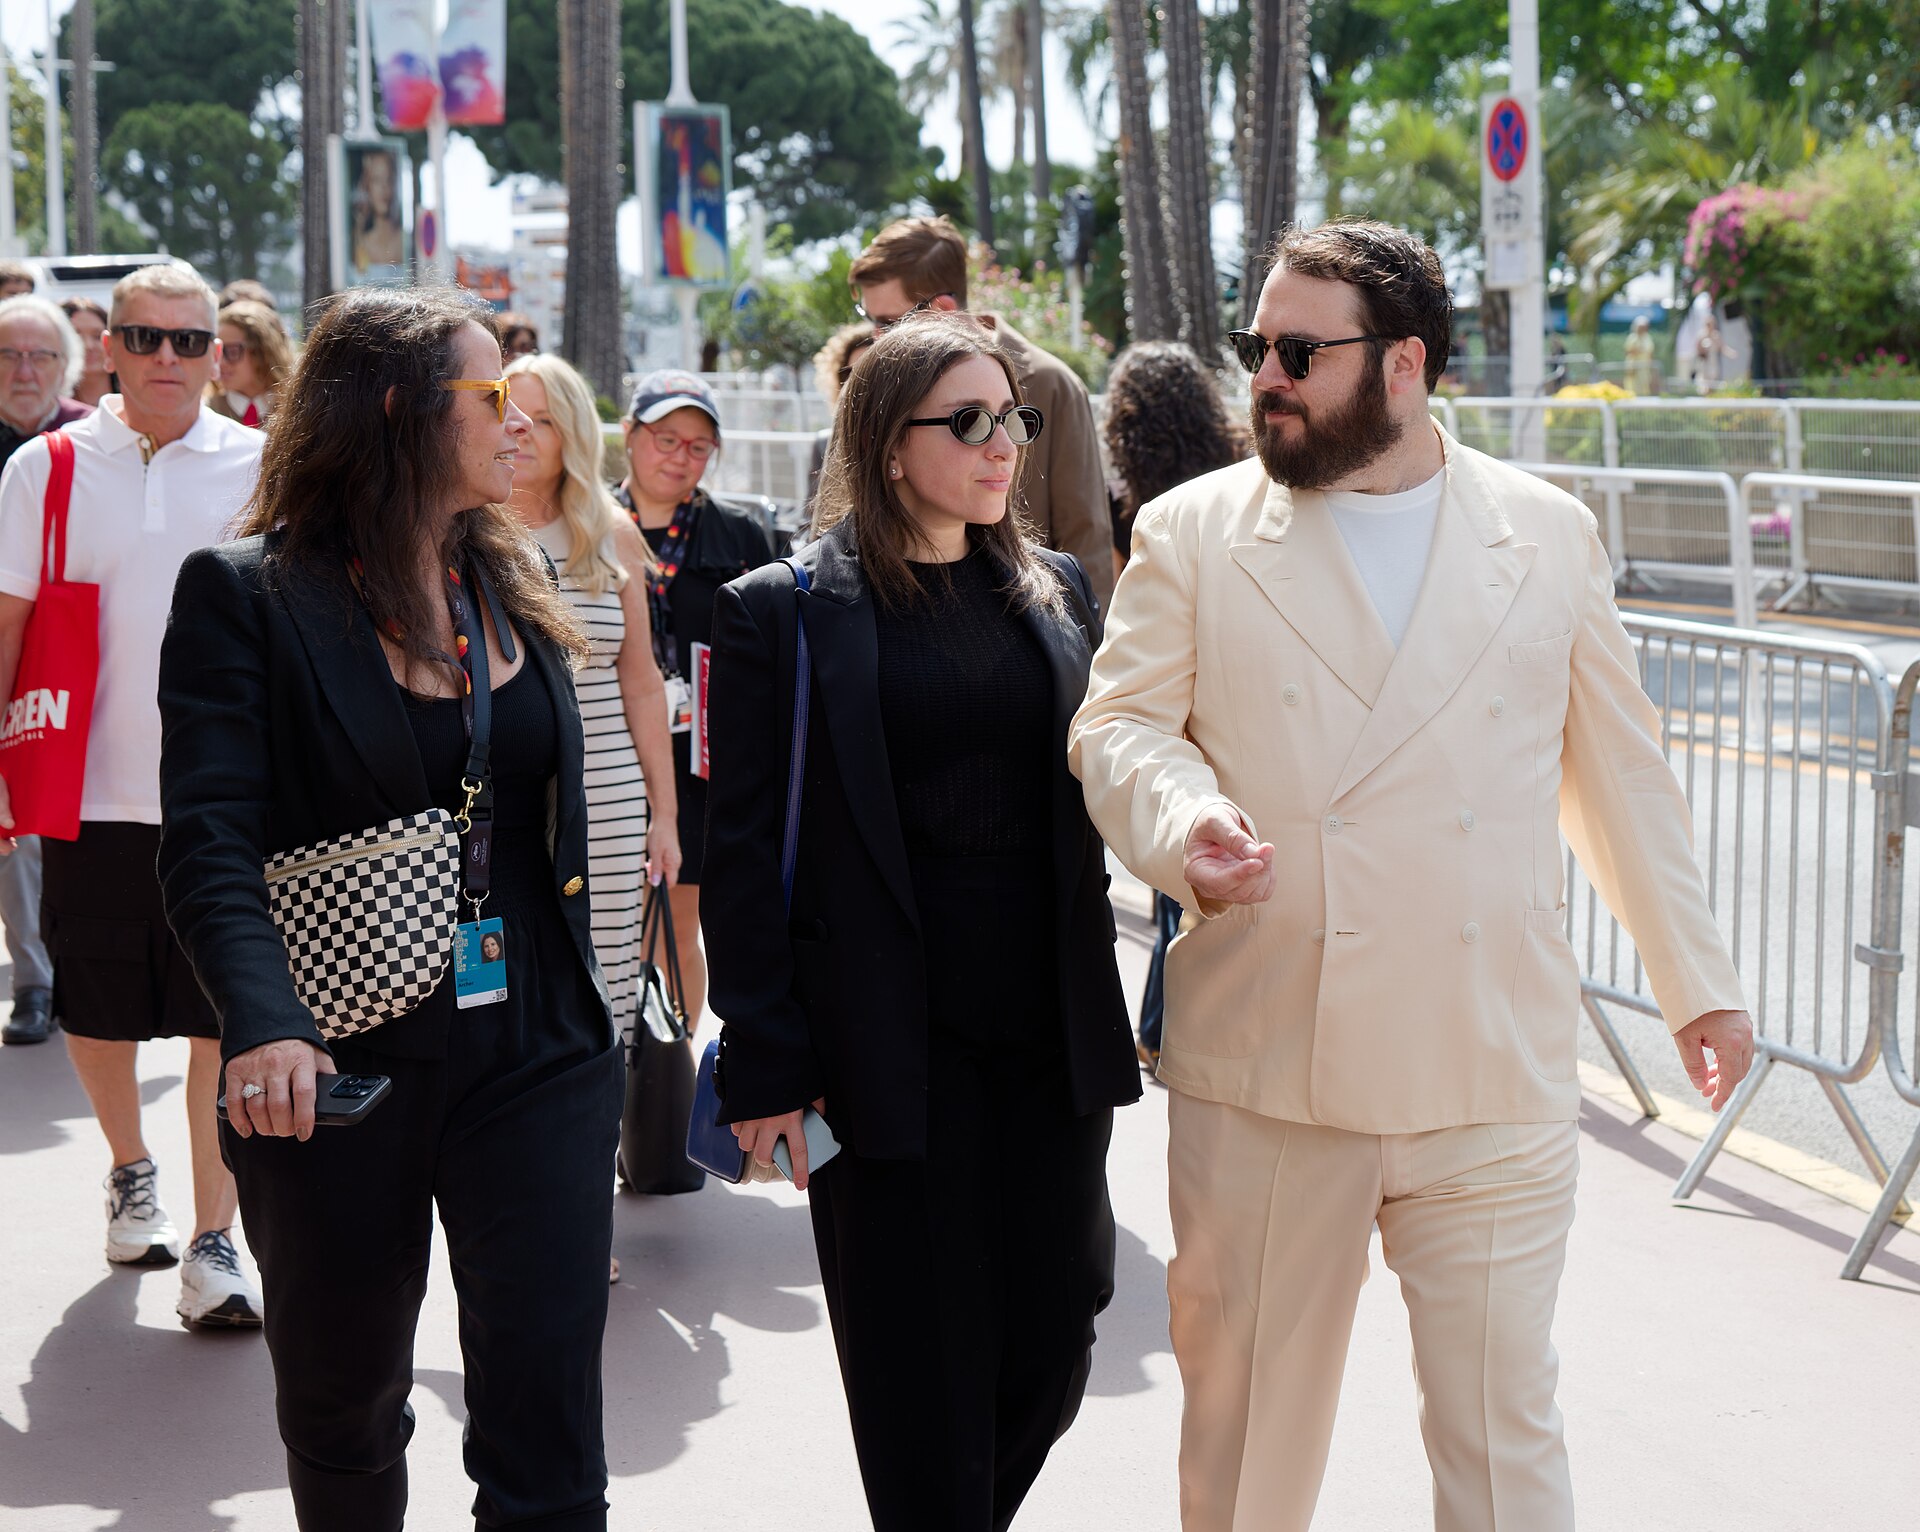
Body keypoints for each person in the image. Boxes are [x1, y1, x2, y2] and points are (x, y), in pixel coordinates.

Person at [1069, 219, 1755, 1532]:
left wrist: (1697, 984)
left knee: (1506, 1457)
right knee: (1248, 1460)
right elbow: (1120, 728)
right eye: (1256, 345)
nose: (1263, 375)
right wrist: (1185, 817)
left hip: (1485, 1067)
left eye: (1298, 352)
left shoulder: (1548, 535)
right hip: (1270, 1065)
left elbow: (1619, 775)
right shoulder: (1196, 531)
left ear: (1403, 367)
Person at [156, 287, 622, 1529]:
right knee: (347, 1401)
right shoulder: (246, 596)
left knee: (548, 1412)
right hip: (335, 1056)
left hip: (538, 1043)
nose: (519, 417)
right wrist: (262, 1024)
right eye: (489, 395)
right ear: (399, 412)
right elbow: (207, 840)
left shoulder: (508, 579)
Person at [703, 311, 1141, 1531]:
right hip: (879, 1042)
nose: (1002, 444)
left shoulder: (1054, 591)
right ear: (890, 446)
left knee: (1061, 1321)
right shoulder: (779, 611)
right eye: (968, 421)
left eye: (1012, 417)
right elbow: (742, 853)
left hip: (1047, 1026)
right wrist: (768, 1054)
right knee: (916, 1357)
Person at [0, 264, 267, 1326]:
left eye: (190, 341)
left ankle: (215, 1236)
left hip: (229, 795)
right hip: (89, 792)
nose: (168, 359)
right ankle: (128, 1165)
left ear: (220, 351)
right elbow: (8, 624)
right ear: (108, 345)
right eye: (146, 338)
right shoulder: (44, 469)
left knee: (222, 1018)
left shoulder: (261, 464)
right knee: (99, 1008)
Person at [505, 351, 681, 1057]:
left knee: (608, 974)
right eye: (509, 416)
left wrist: (663, 814)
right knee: (518, 974)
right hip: (511, 795)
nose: (520, 433)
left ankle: (602, 1148)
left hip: (608, 795)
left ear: (572, 434)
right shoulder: (466, 528)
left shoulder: (612, 533)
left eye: (542, 421)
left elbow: (641, 681)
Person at [1099, 339, 1249, 1064]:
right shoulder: (1243, 463)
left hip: (1167, 704)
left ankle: (1161, 1034)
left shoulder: (1132, 502)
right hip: (1237, 686)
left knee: (1176, 877)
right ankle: (1164, 1032)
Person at [615, 369, 775, 1031]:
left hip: (702, 763)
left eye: (698, 445)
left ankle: (670, 1080)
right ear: (629, 436)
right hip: (610, 752)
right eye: (665, 438)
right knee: (614, 932)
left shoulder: (739, 538)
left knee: (679, 929)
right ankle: (625, 1085)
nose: (679, 456)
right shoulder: (587, 523)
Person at [849, 215, 1115, 611]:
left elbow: (1085, 540)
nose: (876, 338)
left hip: (1022, 631)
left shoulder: (1050, 384)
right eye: (870, 320)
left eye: (889, 322)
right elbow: (841, 512)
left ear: (941, 309)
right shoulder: (874, 383)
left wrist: (1077, 657)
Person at [0, 294, 91, 1049]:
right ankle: (34, 980)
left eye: (40, 356)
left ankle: (71, 969)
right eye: (8, 355)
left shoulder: (93, 444)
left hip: (68, 653)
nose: (23, 371)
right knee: (15, 824)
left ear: (67, 367)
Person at [805, 320, 874, 518]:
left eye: (869, 372)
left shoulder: (912, 441)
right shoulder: (823, 445)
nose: (857, 384)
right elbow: (809, 523)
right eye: (849, 373)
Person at [206, 299, 293, 428]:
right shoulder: (208, 413)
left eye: (232, 351)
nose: (221, 362)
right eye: (216, 351)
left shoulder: (295, 410)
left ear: (262, 352)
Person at [351, 148, 406, 277]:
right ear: (367, 186)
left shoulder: (403, 240)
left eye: (388, 179)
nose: (384, 188)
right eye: (377, 180)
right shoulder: (361, 242)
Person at [61, 297, 114, 407]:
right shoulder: (49, 408)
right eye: (76, 337)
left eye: (97, 336)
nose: (88, 346)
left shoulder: (137, 398)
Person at [1623, 314, 1659, 396]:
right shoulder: (1632, 337)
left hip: (1644, 368)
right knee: (1631, 387)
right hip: (1633, 367)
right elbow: (1629, 351)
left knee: (1644, 387)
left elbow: (1650, 353)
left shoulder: (1648, 338)